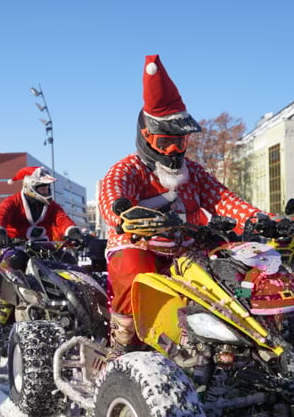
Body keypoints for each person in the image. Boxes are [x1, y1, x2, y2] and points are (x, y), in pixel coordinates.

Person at [99, 54, 266, 356]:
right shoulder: (130, 169)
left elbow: (224, 199)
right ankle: (123, 340)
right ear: (146, 138)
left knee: (232, 266)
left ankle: (234, 337)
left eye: (181, 141)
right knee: (133, 267)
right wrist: (122, 211)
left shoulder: (194, 173)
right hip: (142, 246)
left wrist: (260, 219)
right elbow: (112, 191)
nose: (174, 150)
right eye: (165, 143)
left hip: (187, 251)